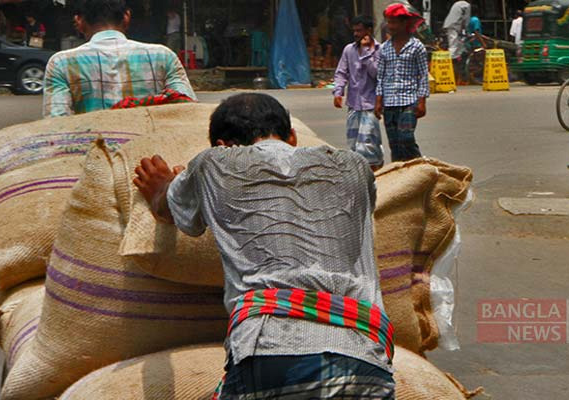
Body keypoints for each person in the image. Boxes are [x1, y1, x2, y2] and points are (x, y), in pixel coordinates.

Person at [133, 93, 396, 398]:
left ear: (222, 146)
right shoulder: (354, 166)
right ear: (293, 136)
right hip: (365, 359)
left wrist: (163, 186)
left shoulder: (214, 164)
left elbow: (171, 211)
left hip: (272, 353)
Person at [42, 0, 196, 118]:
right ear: (127, 16)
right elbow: (187, 111)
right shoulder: (164, 56)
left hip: (92, 154)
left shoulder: (60, 63)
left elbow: (56, 123)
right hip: (152, 157)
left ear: (79, 21)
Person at [375, 4, 429, 162]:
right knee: (395, 144)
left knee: (406, 138)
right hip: (389, 102)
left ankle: (421, 167)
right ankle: (400, 174)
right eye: (388, 22)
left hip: (409, 100)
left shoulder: (417, 47)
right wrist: (378, 101)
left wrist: (422, 102)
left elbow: (423, 75)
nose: (390, 26)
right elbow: (381, 76)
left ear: (405, 24)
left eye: (394, 22)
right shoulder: (384, 49)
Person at [333, 15, 384, 169]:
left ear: (368, 31)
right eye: (354, 30)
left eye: (359, 30)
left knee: (367, 143)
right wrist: (338, 91)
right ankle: (361, 175)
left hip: (371, 104)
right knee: (354, 143)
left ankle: (374, 172)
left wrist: (367, 53)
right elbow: (341, 72)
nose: (355, 34)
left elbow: (377, 74)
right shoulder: (349, 50)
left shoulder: (380, 50)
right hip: (354, 105)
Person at [443, 0, 471, 83]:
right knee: (454, 46)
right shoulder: (467, 5)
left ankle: (455, 57)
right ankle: (450, 60)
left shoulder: (458, 3)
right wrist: (465, 30)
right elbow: (466, 19)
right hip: (454, 26)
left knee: (457, 45)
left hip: (450, 24)